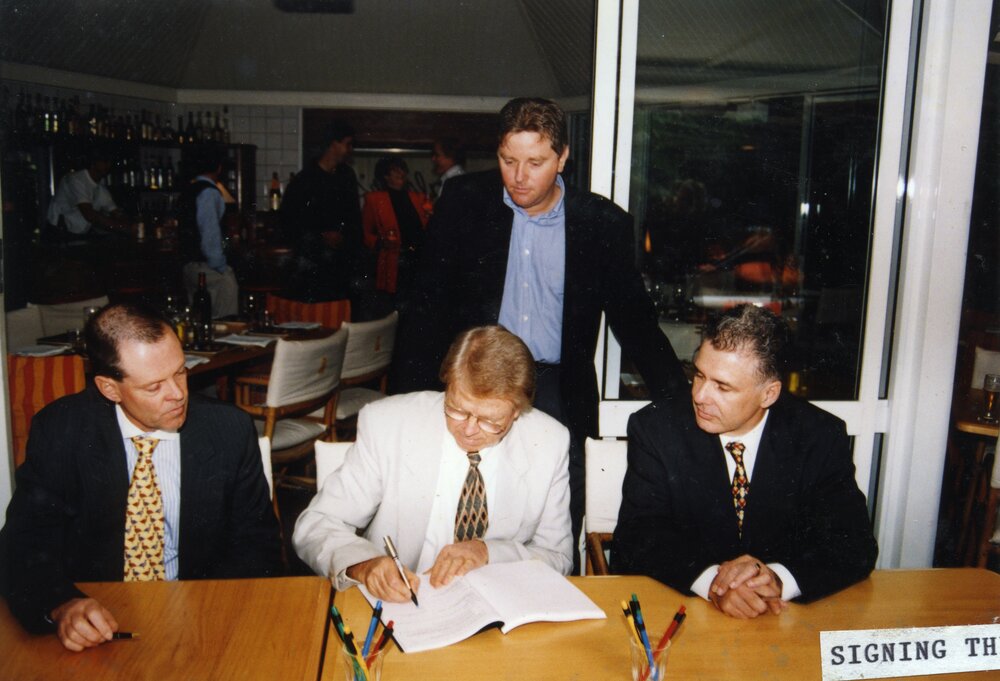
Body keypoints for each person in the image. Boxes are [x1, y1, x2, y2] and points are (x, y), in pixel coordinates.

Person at [393, 97, 687, 557]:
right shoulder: (465, 203)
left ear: (563, 157)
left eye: (535, 162)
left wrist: (681, 404)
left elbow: (637, 325)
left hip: (556, 386)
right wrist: (407, 399)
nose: (519, 177)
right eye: (509, 160)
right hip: (477, 381)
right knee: (456, 498)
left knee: (559, 517)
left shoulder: (602, 224)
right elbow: (425, 308)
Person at [0, 302, 281, 650]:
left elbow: (259, 545)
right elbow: (24, 544)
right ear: (109, 389)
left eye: (180, 372)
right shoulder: (63, 431)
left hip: (203, 616)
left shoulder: (227, 430)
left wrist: (210, 614)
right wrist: (62, 605)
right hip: (101, 621)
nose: (177, 394)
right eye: (154, 387)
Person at [611, 304, 878, 618]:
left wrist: (778, 579)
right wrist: (714, 583)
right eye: (698, 375)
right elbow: (638, 537)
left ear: (769, 394)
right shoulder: (657, 428)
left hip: (781, 619)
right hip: (686, 617)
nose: (699, 396)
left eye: (722, 386)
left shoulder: (818, 436)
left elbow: (853, 544)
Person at [293, 325, 572, 600]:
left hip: (498, 604)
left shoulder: (548, 442)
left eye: (490, 421)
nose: (470, 429)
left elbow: (558, 557)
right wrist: (364, 566)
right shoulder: (389, 425)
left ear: (517, 411)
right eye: (457, 410)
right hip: (404, 605)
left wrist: (488, 552)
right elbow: (316, 524)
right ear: (448, 383)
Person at [280, 120, 362, 302]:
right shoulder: (304, 180)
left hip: (343, 264)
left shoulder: (347, 176)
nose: (351, 150)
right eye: (348, 144)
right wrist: (321, 236)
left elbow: (355, 218)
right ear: (334, 143)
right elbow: (289, 223)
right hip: (314, 266)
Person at [179, 145, 239, 318]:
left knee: (200, 316)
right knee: (225, 320)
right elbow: (210, 233)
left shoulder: (188, 190)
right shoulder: (210, 193)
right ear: (219, 167)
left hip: (189, 265)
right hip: (206, 266)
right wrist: (220, 266)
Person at [362, 156, 431, 298]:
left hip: (418, 260)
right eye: (395, 171)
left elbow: (429, 225)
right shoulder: (374, 199)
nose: (401, 174)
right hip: (393, 262)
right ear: (385, 176)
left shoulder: (419, 198)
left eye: (403, 170)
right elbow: (364, 233)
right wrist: (380, 242)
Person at [45, 146, 129, 240]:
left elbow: (116, 212)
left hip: (77, 235)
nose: (108, 165)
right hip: (58, 233)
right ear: (93, 163)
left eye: (109, 162)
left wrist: (130, 225)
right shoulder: (76, 180)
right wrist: (123, 227)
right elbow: (89, 214)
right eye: (104, 161)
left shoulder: (100, 188)